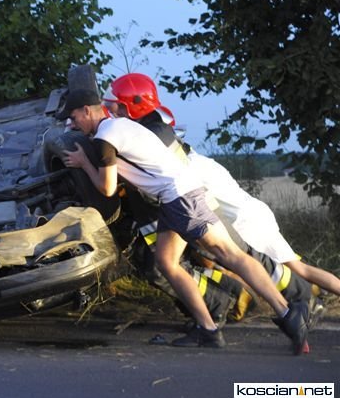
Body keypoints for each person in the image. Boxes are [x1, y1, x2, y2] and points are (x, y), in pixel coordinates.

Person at [57, 88, 309, 353]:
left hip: (180, 198)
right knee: (166, 263)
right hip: (174, 198)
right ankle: (208, 330)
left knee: (230, 255)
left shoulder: (105, 137)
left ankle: (287, 313)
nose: (72, 124)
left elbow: (107, 189)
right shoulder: (120, 126)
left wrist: (84, 163)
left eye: (73, 117)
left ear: (87, 110)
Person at [104, 73, 340, 297]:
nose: (114, 111)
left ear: (133, 104)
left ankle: (305, 299)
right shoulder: (182, 151)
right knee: (278, 269)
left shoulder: (182, 164)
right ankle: (304, 298)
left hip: (247, 222)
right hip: (247, 215)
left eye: (118, 106)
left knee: (292, 270)